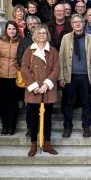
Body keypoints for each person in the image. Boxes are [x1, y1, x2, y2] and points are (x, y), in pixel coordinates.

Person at [21, 24, 61, 157]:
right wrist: (34, 86)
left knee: (48, 118)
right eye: (40, 33)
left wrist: (46, 84)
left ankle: (47, 143)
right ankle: (33, 144)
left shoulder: (53, 51)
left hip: (47, 90)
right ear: (35, 35)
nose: (42, 35)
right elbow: (24, 69)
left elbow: (56, 69)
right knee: (33, 118)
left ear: (47, 35)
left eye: (44, 33)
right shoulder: (29, 51)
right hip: (34, 90)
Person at [59, 14, 91, 138]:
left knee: (86, 102)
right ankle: (67, 127)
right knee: (68, 103)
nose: (78, 24)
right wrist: (61, 76)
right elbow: (61, 57)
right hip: (70, 75)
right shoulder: (66, 38)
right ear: (72, 24)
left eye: (80, 21)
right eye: (75, 22)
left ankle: (86, 126)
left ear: (84, 23)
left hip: (86, 75)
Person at [0, 21, 21, 135]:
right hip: (1, 76)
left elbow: (22, 57)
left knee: (13, 103)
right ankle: (5, 126)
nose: (11, 31)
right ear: (6, 30)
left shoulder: (20, 42)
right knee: (3, 103)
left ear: (16, 30)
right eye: (9, 29)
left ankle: (12, 127)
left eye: (13, 29)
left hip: (14, 76)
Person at [16, 15, 41, 137]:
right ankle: (31, 128)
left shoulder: (46, 39)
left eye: (35, 23)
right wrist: (29, 72)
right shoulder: (24, 41)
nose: (33, 25)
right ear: (27, 25)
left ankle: (42, 127)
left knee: (43, 105)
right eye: (30, 23)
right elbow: (20, 58)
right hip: (29, 78)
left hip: (43, 78)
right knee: (30, 106)